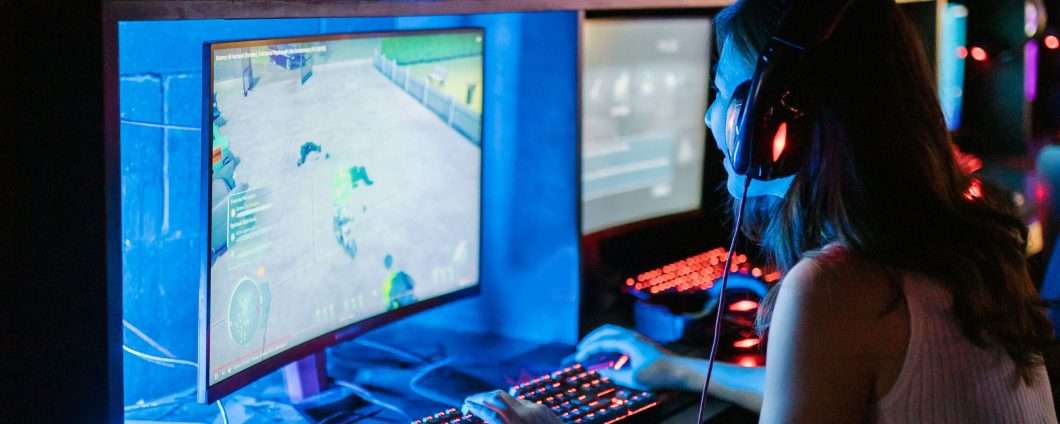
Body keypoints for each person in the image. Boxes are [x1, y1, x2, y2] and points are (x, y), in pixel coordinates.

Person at [462, 0, 1058, 422]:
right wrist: (676, 370)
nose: (710, 118)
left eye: (727, 95)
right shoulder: (967, 247)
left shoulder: (837, 287)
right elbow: (818, 387)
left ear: (780, 125)